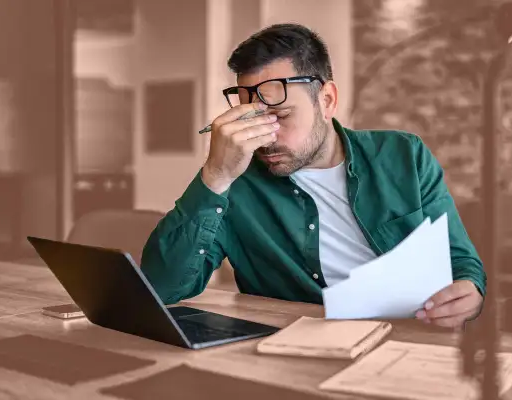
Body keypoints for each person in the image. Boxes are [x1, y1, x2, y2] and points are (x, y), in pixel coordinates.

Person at [140, 23, 485, 329]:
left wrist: (470, 290)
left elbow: (459, 260)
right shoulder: (235, 183)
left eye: (281, 115)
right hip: (295, 354)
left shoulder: (403, 156)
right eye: (251, 119)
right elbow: (162, 287)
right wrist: (215, 176)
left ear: (327, 100)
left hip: (411, 338)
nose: (266, 136)